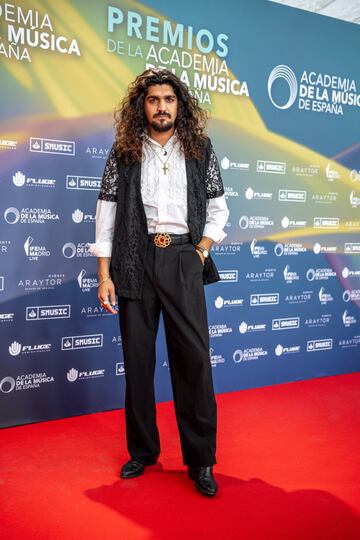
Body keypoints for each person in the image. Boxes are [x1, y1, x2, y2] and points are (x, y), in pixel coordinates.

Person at [89, 68, 229, 497]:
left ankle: (201, 460)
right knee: (138, 362)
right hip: (135, 259)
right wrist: (103, 274)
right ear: (142, 106)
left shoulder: (200, 150)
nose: (161, 107)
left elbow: (219, 211)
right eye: (154, 100)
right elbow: (107, 216)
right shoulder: (124, 152)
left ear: (179, 105)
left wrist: (200, 251)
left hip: (184, 257)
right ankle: (143, 451)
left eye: (169, 99)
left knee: (194, 363)